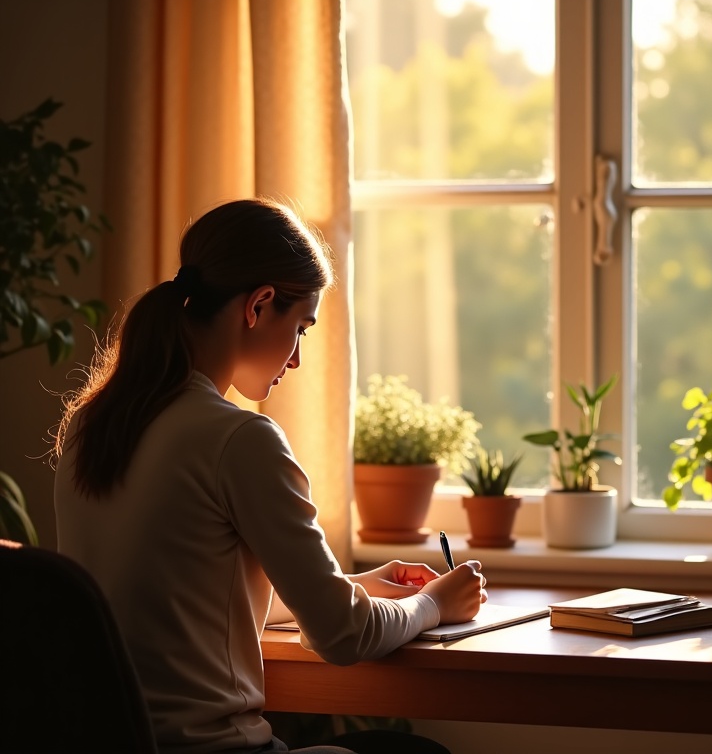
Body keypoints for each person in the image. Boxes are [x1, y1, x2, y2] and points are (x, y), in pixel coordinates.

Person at [52, 198, 485, 754]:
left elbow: (187, 598)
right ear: (258, 306)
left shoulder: (90, 423)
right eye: (301, 327)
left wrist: (358, 587)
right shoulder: (239, 439)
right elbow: (342, 635)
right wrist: (435, 605)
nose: (298, 358)